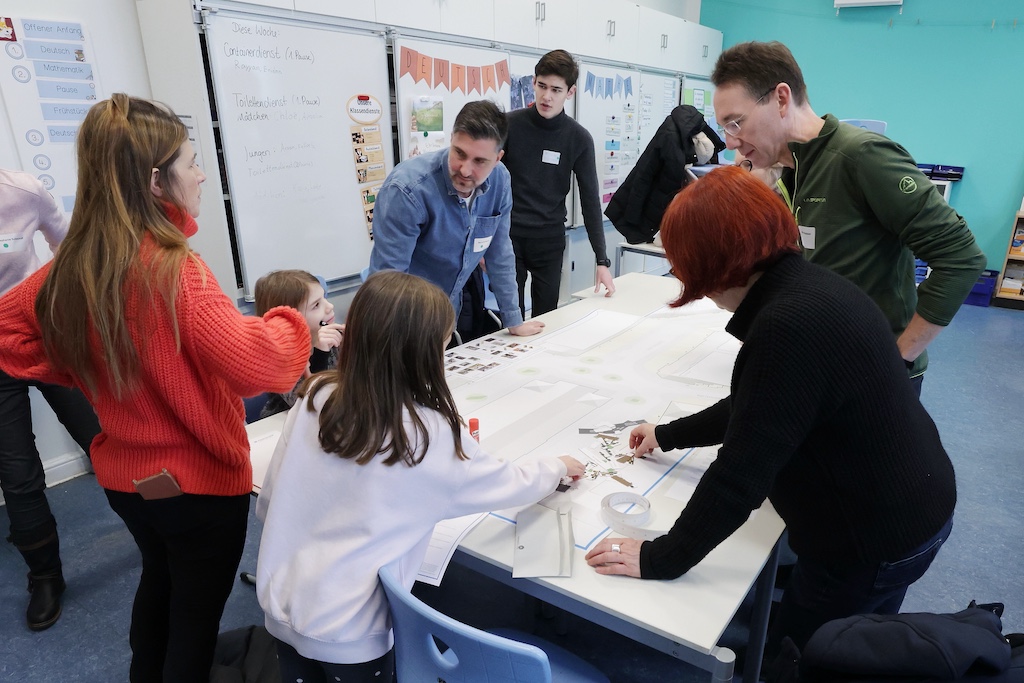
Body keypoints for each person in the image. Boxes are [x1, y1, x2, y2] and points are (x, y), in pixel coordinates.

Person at [585, 166, 956, 670]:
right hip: (913, 507)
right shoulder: (809, 289)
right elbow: (757, 406)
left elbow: (740, 475)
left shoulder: (787, 325)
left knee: (808, 657)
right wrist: (666, 435)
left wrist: (662, 557)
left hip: (871, 540)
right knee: (866, 645)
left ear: (712, 263)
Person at [0, 94, 311, 681]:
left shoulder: (76, 265)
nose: (199, 174)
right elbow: (258, 368)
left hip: (128, 484)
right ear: (154, 179)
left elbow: (7, 331)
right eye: (190, 161)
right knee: (195, 619)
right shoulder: (175, 269)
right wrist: (293, 322)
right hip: (197, 488)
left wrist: (83, 365)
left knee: (161, 583)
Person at [256, 270, 584, 682]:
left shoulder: (316, 394)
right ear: (423, 353)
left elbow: (269, 504)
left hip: (281, 597)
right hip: (351, 630)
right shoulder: (428, 431)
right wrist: (555, 468)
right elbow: (504, 482)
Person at [710, 41, 986, 393]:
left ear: (781, 98)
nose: (731, 142)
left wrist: (897, 360)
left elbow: (961, 258)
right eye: (725, 129)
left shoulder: (861, 156)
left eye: (736, 123)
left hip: (876, 374)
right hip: (826, 362)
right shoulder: (793, 171)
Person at [0, 168, 101, 631]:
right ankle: (45, 577)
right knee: (18, 474)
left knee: (100, 437)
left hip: (42, 335)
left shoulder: (21, 192)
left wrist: (59, 299)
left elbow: (68, 243)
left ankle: (154, 523)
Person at [367, 100, 543, 338]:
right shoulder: (407, 189)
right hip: (404, 320)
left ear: (498, 157)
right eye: (459, 153)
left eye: (480, 161)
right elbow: (388, 282)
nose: (465, 170)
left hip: (449, 316)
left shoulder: (500, 181)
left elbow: (499, 252)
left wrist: (513, 319)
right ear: (451, 139)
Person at [503, 49, 615, 316]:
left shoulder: (578, 138)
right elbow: (485, 184)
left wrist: (601, 260)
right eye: (542, 86)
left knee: (546, 317)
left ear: (570, 92)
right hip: (509, 237)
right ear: (533, 82)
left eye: (556, 89)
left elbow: (590, 201)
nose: (546, 96)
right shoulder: (509, 125)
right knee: (512, 317)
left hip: (549, 240)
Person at [253, 269, 344, 418]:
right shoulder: (280, 357)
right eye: (316, 305)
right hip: (286, 424)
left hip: (331, 416)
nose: (329, 307)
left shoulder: (333, 336)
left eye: (324, 298)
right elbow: (308, 403)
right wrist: (321, 355)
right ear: (289, 319)